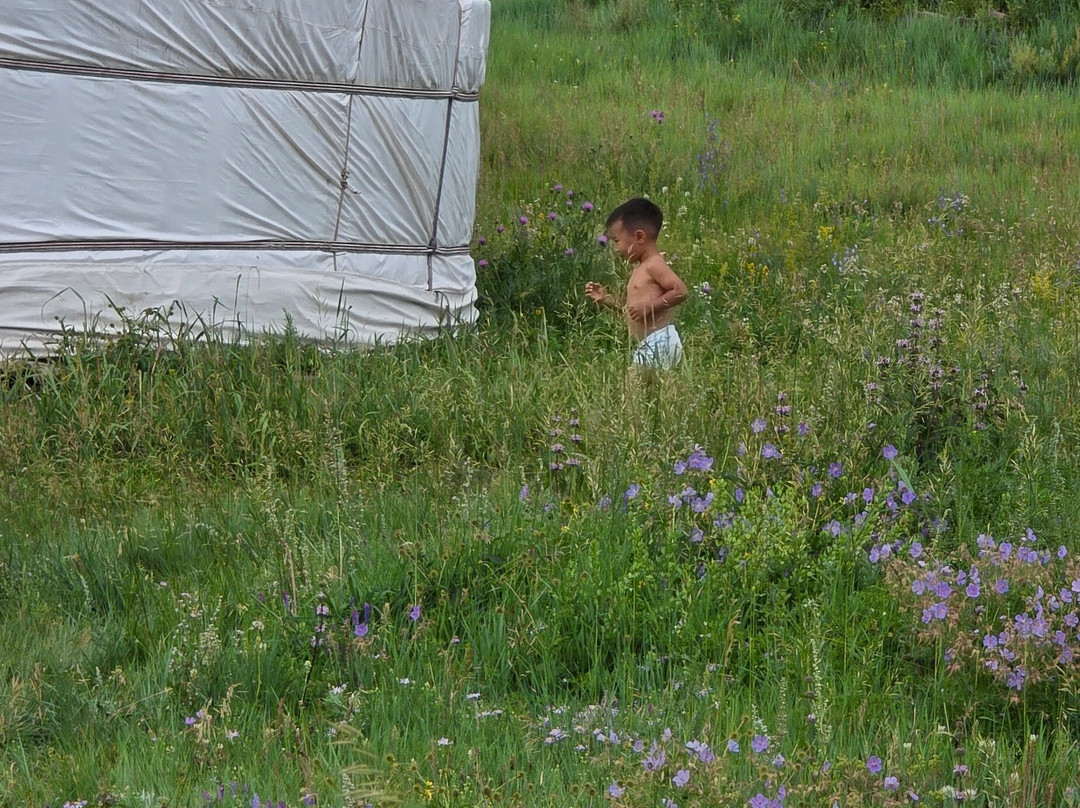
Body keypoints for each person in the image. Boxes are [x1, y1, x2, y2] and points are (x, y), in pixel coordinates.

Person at [585, 198, 688, 370]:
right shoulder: (640, 268)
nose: (616, 249)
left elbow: (680, 291)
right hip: (650, 344)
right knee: (650, 394)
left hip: (659, 341)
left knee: (634, 392)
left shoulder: (654, 264)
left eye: (617, 241)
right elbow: (633, 310)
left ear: (639, 237)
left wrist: (650, 306)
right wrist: (606, 299)